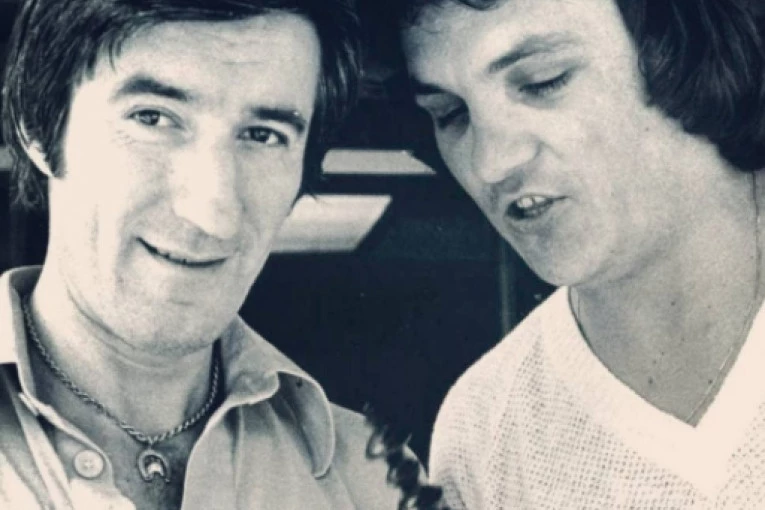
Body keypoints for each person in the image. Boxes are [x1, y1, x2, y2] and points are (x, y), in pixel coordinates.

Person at [0, 0, 405, 508]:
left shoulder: (376, 482)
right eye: (153, 118)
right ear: (36, 126)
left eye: (263, 135)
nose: (212, 214)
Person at [396, 0, 765, 507]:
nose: (490, 163)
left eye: (543, 82)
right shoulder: (483, 432)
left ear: (688, 44)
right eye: (451, 114)